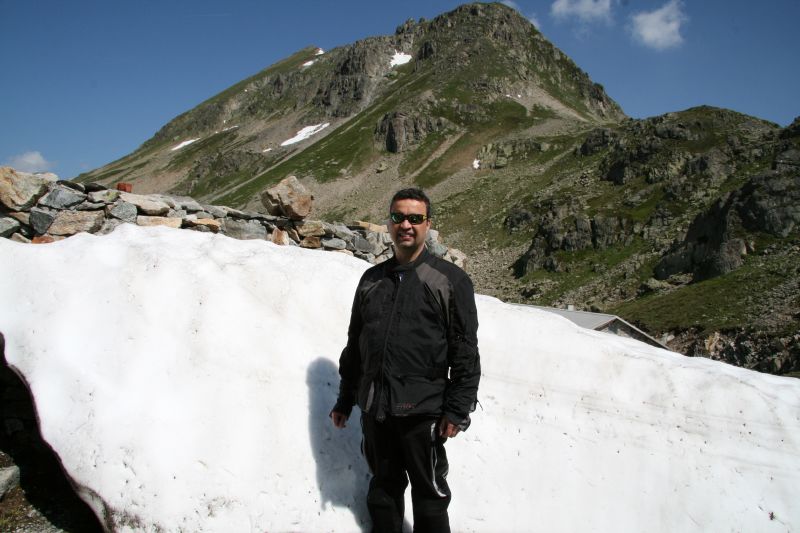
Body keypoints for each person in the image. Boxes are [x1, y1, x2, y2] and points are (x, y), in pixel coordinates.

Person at [330, 187, 481, 533]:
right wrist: (345, 398)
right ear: (389, 223)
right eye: (398, 217)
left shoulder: (450, 281)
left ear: (428, 224)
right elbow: (355, 345)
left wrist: (457, 410)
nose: (406, 225)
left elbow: (465, 353)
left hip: (423, 413)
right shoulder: (371, 280)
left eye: (415, 218)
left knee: (430, 496)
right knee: (382, 491)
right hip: (376, 410)